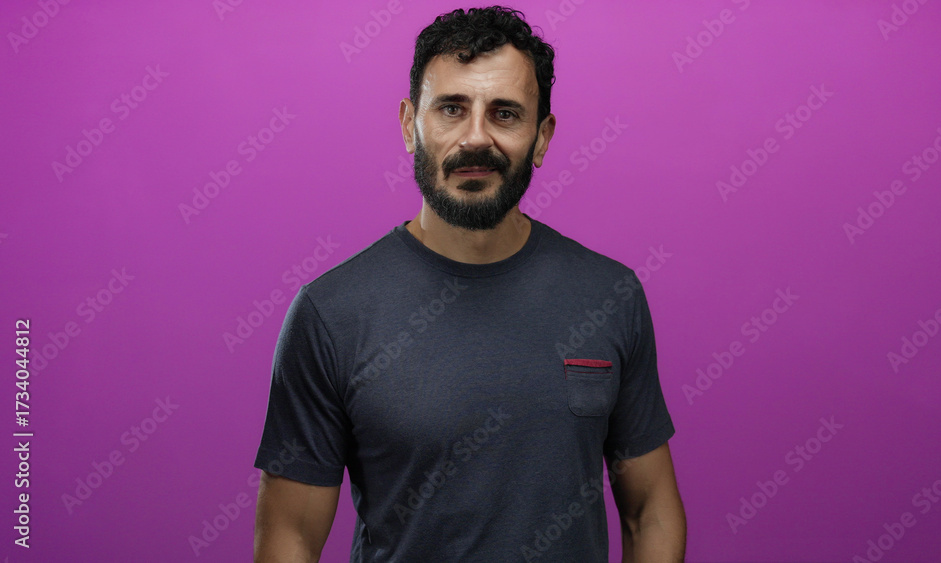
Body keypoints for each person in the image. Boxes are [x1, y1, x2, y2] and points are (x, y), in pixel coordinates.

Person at [252, 6, 685, 562]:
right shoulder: (330, 313)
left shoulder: (610, 296)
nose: (475, 138)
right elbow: (290, 536)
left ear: (543, 136)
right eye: (452, 109)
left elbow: (650, 508)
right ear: (410, 124)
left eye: (504, 113)